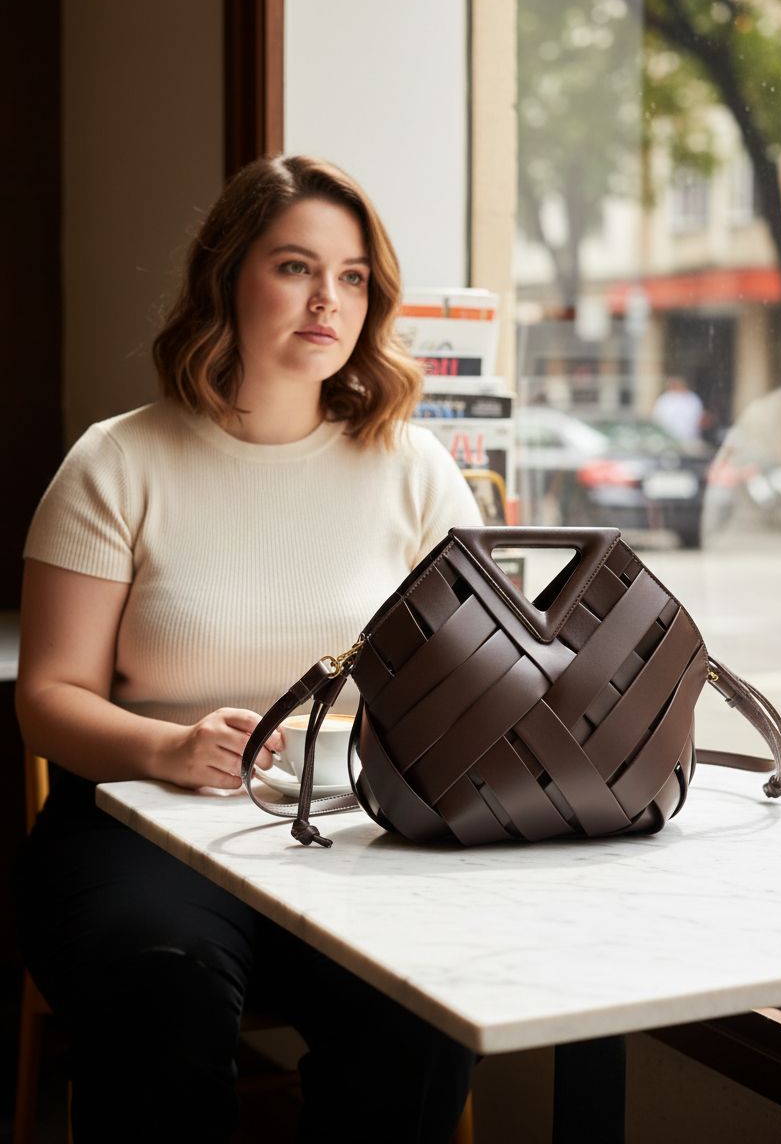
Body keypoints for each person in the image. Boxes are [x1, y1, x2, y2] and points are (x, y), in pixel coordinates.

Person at [13, 154, 482, 1144]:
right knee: (162, 987)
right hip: (136, 830)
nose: (328, 299)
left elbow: (470, 683)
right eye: (295, 267)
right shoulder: (118, 460)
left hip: (353, 837)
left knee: (426, 1012)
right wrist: (167, 749)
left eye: (353, 276)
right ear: (226, 275)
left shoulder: (414, 470)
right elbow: (47, 696)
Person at [651, 375, 706, 442]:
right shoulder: (665, 399)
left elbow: (699, 418)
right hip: (668, 439)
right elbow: (657, 418)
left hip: (689, 438)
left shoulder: (692, 398)